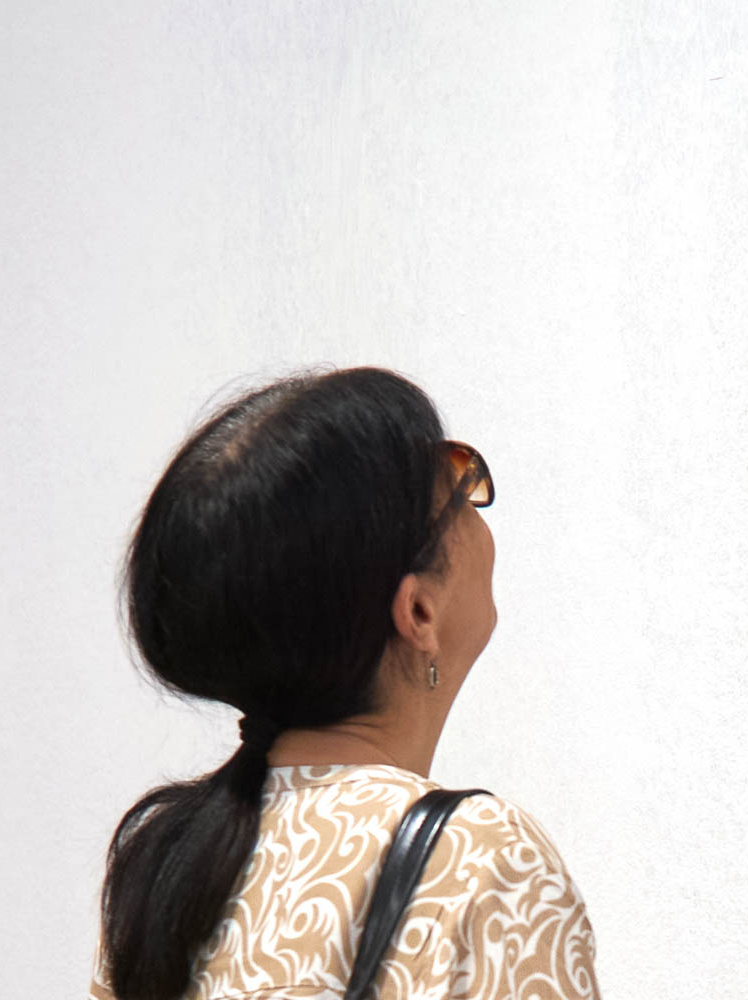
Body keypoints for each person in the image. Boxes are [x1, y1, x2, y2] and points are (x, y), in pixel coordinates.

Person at [90, 368, 599, 1000]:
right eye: (456, 486)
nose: (474, 499)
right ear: (418, 612)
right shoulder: (481, 861)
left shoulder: (164, 864)